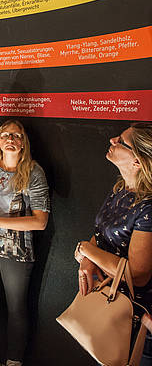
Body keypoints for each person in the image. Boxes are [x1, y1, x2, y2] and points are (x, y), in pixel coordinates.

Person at [0, 119, 50, 366]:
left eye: (16, 135)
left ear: (23, 142)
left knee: (16, 309)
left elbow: (40, 221)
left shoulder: (34, 172)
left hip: (17, 250)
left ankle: (14, 362)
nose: (10, 139)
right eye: (5, 135)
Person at [74, 122, 152, 365]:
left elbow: (137, 274)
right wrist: (88, 258)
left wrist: (86, 250)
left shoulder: (148, 207)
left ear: (138, 162)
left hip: (132, 316)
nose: (112, 141)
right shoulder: (121, 189)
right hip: (106, 301)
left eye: (121, 141)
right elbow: (100, 235)